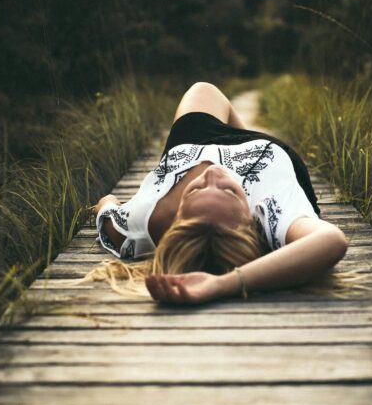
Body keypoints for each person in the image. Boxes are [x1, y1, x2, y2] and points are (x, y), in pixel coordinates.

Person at [87, 82, 348, 305]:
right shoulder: (272, 214)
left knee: (203, 89)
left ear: (176, 219)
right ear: (250, 223)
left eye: (195, 190)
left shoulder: (144, 222)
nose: (213, 174)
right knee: (208, 94)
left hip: (191, 147)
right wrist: (225, 284)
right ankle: (243, 137)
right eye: (229, 190)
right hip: (261, 154)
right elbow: (332, 241)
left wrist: (107, 202)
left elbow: (107, 213)